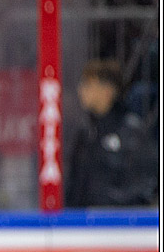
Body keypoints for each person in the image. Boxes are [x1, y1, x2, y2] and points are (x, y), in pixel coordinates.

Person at [64, 59, 158, 207]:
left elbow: (145, 185)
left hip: (118, 225)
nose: (81, 90)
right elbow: (75, 188)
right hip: (83, 225)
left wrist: (111, 206)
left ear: (108, 90)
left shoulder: (131, 132)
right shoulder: (87, 134)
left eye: (88, 84)